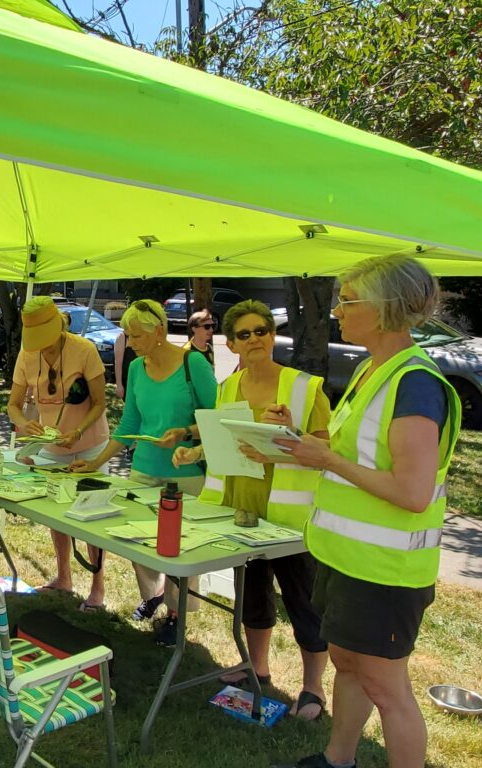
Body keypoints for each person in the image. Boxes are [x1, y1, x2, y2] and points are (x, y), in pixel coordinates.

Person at [271, 255, 460, 768]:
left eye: (347, 301)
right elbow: (353, 452)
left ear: (381, 309)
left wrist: (325, 457)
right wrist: (298, 439)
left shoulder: (415, 384)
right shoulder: (370, 369)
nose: (336, 311)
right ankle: (339, 759)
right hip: (347, 559)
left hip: (385, 571)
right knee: (347, 663)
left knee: (387, 686)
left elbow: (413, 490)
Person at [173, 300, 330, 720]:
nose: (256, 339)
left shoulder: (304, 387)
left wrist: (291, 435)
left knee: (304, 602)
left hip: (289, 517)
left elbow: (328, 450)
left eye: (262, 330)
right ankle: (256, 667)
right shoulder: (228, 386)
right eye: (245, 334)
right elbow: (229, 441)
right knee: (253, 596)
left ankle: (313, 689)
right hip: (241, 507)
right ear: (231, 343)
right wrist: (196, 451)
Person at [70, 299, 216, 644]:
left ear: (160, 332)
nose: (130, 343)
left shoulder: (193, 364)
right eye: (127, 335)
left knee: (181, 547)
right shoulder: (136, 368)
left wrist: (185, 434)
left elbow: (215, 419)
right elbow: (130, 424)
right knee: (137, 538)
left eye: (136, 336)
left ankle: (176, 615)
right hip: (144, 469)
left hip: (186, 472)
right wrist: (93, 462)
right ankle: (153, 595)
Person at [6, 296, 110, 611]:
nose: (42, 348)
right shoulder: (27, 354)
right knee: (56, 515)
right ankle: (64, 577)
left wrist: (78, 431)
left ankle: (98, 586)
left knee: (91, 517)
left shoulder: (84, 350)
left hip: (89, 444)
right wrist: (25, 423)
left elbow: (100, 403)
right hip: (51, 447)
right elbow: (13, 405)